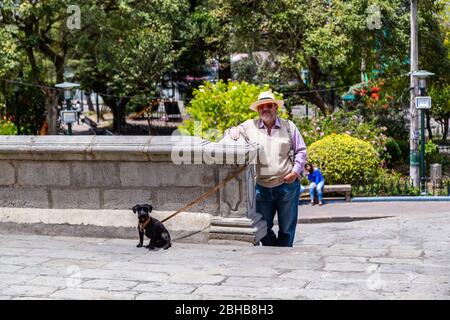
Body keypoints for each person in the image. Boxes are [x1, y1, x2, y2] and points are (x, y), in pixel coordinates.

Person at [227, 90, 307, 247]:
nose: (265, 109)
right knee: (262, 229)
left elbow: (301, 151)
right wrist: (232, 130)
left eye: (269, 105)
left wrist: (295, 172)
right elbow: (231, 133)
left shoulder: (289, 126)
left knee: (287, 230)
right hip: (261, 188)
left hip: (287, 186)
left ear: (275, 107)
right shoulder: (250, 126)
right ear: (258, 110)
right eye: (261, 106)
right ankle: (273, 253)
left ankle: (283, 257)